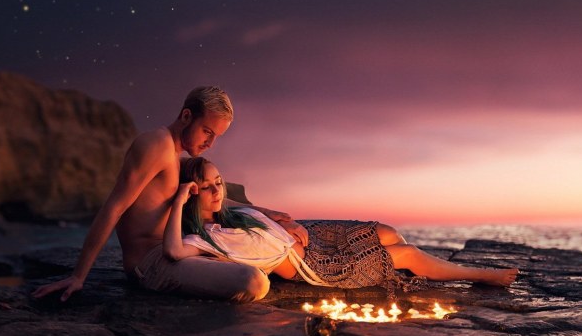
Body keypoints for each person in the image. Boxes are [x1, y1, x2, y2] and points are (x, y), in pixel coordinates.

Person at [33, 86, 294, 302]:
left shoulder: (176, 158)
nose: (210, 143)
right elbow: (114, 207)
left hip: (176, 251)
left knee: (263, 249)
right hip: (150, 264)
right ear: (186, 116)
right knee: (253, 281)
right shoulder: (156, 145)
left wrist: (265, 212)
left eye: (216, 136)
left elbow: (212, 197)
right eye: (207, 131)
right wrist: (79, 276)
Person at [163, 157, 519, 294]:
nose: (216, 191)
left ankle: (408, 271)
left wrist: (282, 220)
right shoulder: (205, 238)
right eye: (205, 187)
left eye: (219, 182)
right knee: (407, 252)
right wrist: (179, 199)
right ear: (191, 193)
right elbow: (174, 252)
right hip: (317, 265)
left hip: (316, 237)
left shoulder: (232, 214)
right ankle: (479, 275)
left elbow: (252, 209)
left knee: (388, 232)